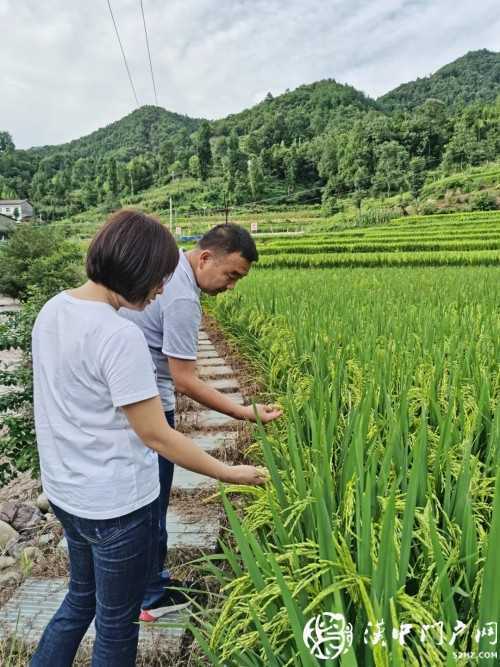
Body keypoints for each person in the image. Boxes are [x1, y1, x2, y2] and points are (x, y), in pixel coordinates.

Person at [30, 210, 268, 667]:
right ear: (137, 268)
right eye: (160, 276)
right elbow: (156, 435)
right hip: (116, 506)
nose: (163, 288)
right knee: (117, 625)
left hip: (67, 493)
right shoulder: (119, 335)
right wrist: (227, 471)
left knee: (80, 600)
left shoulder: (55, 308)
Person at [120, 223, 282, 622]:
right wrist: (245, 412)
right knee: (152, 501)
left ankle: (150, 584)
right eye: (231, 276)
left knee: (148, 498)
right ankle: (149, 595)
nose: (231, 287)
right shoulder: (182, 298)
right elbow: (184, 378)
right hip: (149, 399)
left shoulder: (169, 265)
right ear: (205, 257)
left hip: (134, 391)